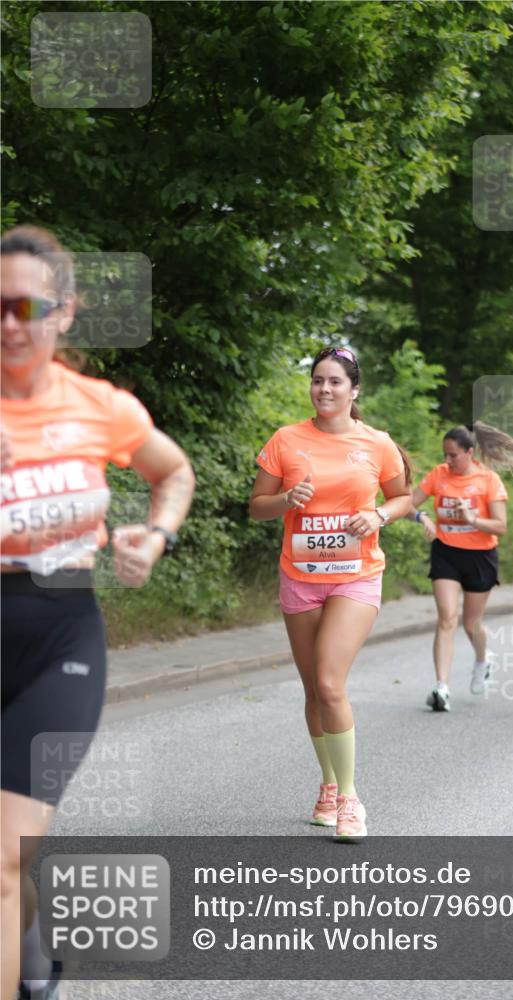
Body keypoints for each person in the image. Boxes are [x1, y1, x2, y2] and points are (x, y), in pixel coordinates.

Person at [1, 226, 195, 1000]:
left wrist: (156, 533)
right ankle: (33, 937)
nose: (10, 322)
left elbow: (172, 471)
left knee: (4, 854)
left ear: (65, 313)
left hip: (60, 635)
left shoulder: (100, 407)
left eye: (26, 305)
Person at [249, 347, 411, 841]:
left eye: (335, 382)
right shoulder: (286, 440)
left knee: (329, 682)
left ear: (353, 390)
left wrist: (378, 515)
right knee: (312, 690)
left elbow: (402, 497)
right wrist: (285, 499)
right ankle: (327, 783)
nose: (325, 389)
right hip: (300, 577)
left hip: (355, 575)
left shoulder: (377, 444)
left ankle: (350, 799)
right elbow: (257, 507)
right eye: (318, 380)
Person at [409, 422, 513, 712]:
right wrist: (423, 518)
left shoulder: (488, 480)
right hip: (446, 552)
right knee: (446, 618)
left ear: (470, 452)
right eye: (445, 455)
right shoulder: (439, 474)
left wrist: (472, 519)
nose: (447, 461)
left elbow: (500, 526)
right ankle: (442, 687)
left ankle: (482, 659)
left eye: (453, 455)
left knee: (470, 623)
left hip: (480, 556)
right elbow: (408, 503)